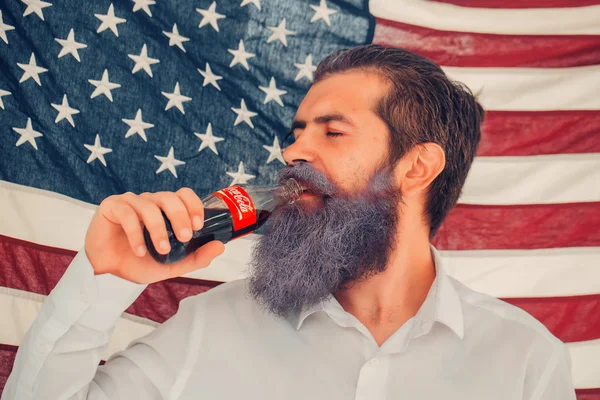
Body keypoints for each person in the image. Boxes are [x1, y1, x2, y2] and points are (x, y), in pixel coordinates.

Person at [3, 45, 576, 400]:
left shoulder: (523, 357)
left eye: (331, 132)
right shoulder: (214, 324)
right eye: (296, 132)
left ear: (417, 165)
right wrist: (105, 279)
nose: (293, 154)